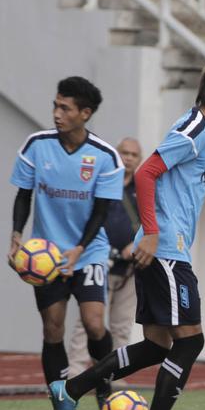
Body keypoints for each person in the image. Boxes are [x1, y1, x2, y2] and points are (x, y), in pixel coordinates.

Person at [47, 55, 205, 410]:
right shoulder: (196, 126)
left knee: (157, 345)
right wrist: (150, 233)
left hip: (164, 250)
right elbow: (147, 172)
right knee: (191, 341)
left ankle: (71, 390)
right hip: (165, 250)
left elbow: (191, 180)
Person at [7, 77, 124, 410]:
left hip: (88, 253)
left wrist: (79, 249)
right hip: (45, 256)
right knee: (52, 330)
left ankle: (104, 392)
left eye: (65, 108)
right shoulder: (35, 145)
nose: (57, 114)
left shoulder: (105, 157)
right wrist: (16, 235)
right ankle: (60, 404)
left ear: (84, 114)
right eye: (56, 106)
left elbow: (103, 211)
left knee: (93, 324)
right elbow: (23, 195)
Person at [66, 136, 142, 396]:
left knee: (122, 326)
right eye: (125, 153)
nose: (129, 158)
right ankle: (75, 374)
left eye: (134, 154)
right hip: (99, 262)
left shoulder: (142, 189)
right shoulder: (104, 181)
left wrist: (137, 244)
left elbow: (153, 223)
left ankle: (115, 380)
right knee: (87, 324)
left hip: (130, 269)